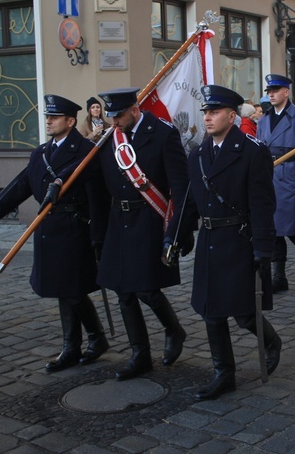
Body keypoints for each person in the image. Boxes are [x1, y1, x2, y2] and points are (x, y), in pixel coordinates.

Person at [0, 95, 109, 372]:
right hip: (48, 229)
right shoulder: (42, 152)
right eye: (47, 117)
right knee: (65, 290)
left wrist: (97, 234)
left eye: (54, 117)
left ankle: (83, 343)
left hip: (74, 228)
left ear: (70, 121)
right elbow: (22, 183)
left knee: (71, 290)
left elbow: (93, 185)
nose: (48, 121)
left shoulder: (85, 150)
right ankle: (85, 342)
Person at [169, 84, 281, 400]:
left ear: (231, 116)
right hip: (210, 240)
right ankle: (224, 373)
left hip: (240, 239)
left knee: (244, 311)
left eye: (214, 112)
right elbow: (190, 202)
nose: (207, 117)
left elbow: (262, 203)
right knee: (211, 311)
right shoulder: (199, 154)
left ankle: (271, 341)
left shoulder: (252, 150)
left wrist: (263, 248)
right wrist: (175, 237)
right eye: (205, 112)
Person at [96, 87, 191, 381]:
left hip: (150, 218)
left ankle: (174, 329)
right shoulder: (109, 138)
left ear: (135, 110)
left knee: (146, 288)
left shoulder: (163, 133)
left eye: (119, 115)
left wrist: (178, 231)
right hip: (119, 220)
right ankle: (140, 354)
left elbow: (181, 185)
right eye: (111, 116)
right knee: (123, 291)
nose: (114, 122)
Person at [256, 74, 295, 293]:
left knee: (292, 227)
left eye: (276, 90)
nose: (271, 94)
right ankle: (279, 277)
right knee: (273, 229)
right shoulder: (264, 120)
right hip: (268, 176)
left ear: (286, 92)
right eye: (269, 91)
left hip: (291, 177)